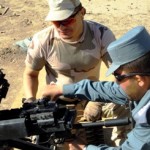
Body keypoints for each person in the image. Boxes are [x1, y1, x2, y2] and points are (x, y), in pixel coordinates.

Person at [23, 0, 129, 147]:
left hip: (93, 96)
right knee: (51, 142)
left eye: (67, 21)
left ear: (82, 13)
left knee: (126, 103)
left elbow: (121, 74)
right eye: (56, 22)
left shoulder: (100, 34)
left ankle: (124, 143)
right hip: (60, 101)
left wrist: (97, 100)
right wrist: (30, 101)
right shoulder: (42, 40)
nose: (61, 27)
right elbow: (31, 74)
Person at [41, 25, 150, 150]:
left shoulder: (147, 118)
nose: (116, 81)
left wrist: (84, 148)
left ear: (139, 79)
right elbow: (113, 90)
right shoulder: (143, 81)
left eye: (119, 77)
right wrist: (63, 89)